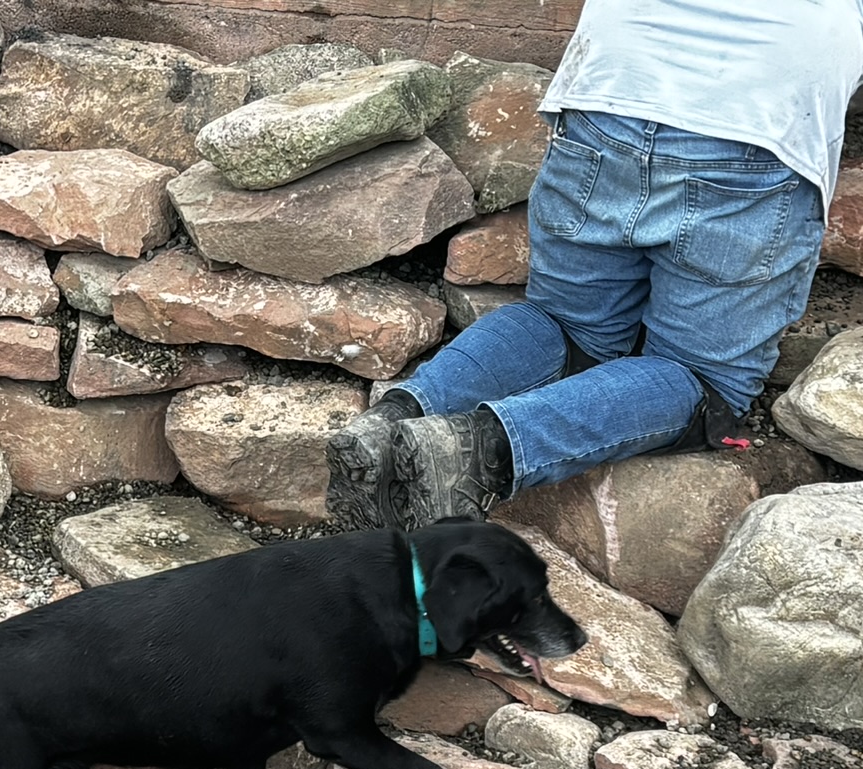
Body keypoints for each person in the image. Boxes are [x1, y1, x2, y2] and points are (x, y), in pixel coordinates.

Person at [328, 0, 863, 530]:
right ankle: (477, 452)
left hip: (607, 90)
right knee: (707, 382)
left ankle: (393, 422)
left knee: (567, 324)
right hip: (758, 117)